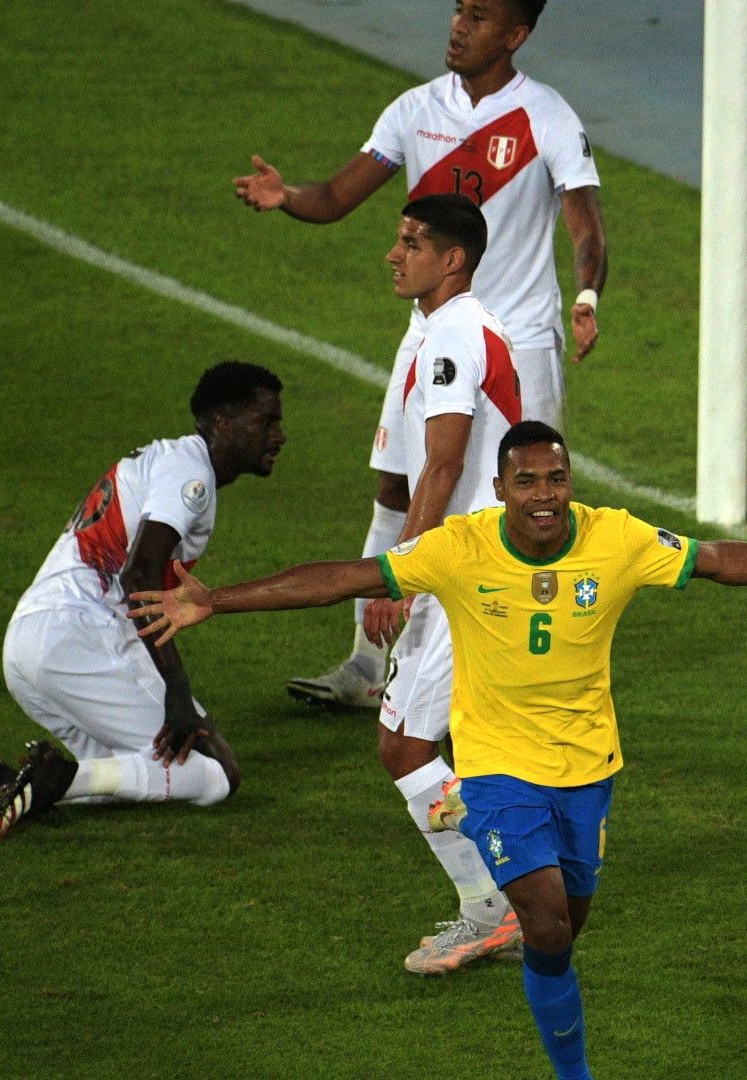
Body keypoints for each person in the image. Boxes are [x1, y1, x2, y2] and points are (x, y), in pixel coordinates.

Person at [128, 421, 747, 1080]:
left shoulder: (617, 540)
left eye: (555, 478)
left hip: (589, 769)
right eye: (526, 481)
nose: (543, 494)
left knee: (569, 925)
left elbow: (720, 560)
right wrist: (217, 598)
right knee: (546, 923)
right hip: (497, 771)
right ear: (500, 489)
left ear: (570, 482)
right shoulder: (460, 548)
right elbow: (343, 578)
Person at [234, 0, 607, 710]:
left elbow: (584, 218)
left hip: (515, 344)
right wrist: (288, 197)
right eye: (458, 10)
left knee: (524, 504)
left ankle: (531, 667)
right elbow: (340, 195)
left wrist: (587, 294)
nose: (459, 26)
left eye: (480, 16)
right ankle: (370, 667)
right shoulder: (414, 109)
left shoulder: (548, 117)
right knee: (398, 488)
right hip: (430, 336)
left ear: (517, 35)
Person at [0, 362, 287, 838]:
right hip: (78, 634)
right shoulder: (190, 473)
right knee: (216, 773)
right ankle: (58, 778)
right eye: (266, 421)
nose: (279, 435)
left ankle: (37, 783)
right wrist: (177, 690)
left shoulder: (167, 459)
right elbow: (139, 571)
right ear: (223, 423)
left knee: (122, 772)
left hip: (28, 641)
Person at [367, 192, 529, 974]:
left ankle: (493, 909)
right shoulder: (454, 330)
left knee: (405, 745)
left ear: (452, 259)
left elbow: (442, 464)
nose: (395, 254)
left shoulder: (455, 336)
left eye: (411, 242)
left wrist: (399, 571)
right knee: (455, 744)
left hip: (464, 570)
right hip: (479, 563)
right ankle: (518, 882)